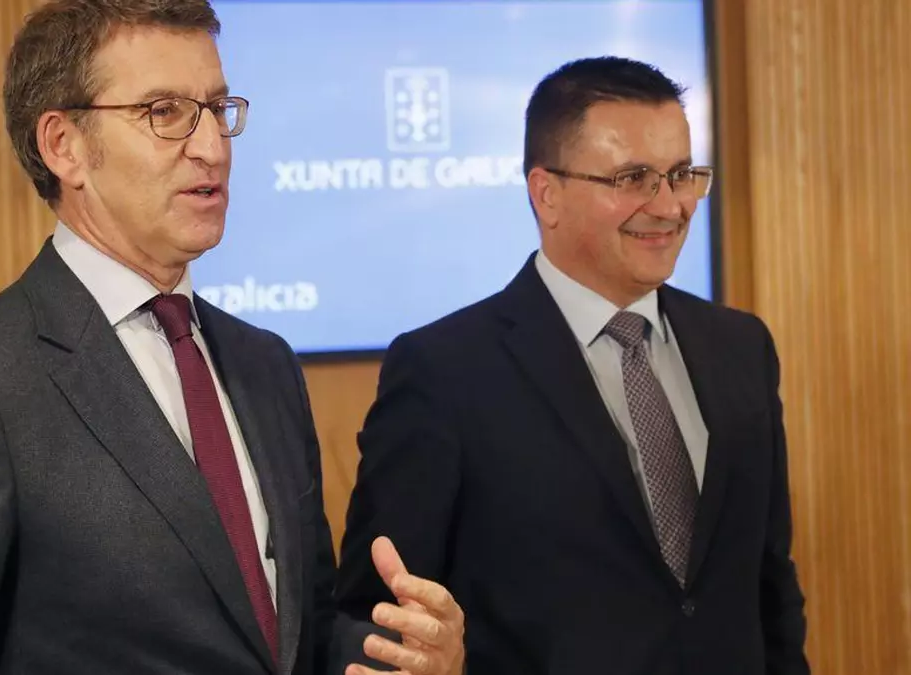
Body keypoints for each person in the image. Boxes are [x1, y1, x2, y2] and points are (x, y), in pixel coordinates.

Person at [0, 1, 465, 674]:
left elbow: (295, 640)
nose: (212, 147)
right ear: (64, 146)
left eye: (216, 108)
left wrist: (400, 656)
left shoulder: (265, 364)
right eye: (165, 112)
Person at [334, 56, 810, 675]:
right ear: (547, 194)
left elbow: (771, 589)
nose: (670, 206)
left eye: (681, 174)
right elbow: (380, 616)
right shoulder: (442, 373)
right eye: (634, 178)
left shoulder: (742, 348)